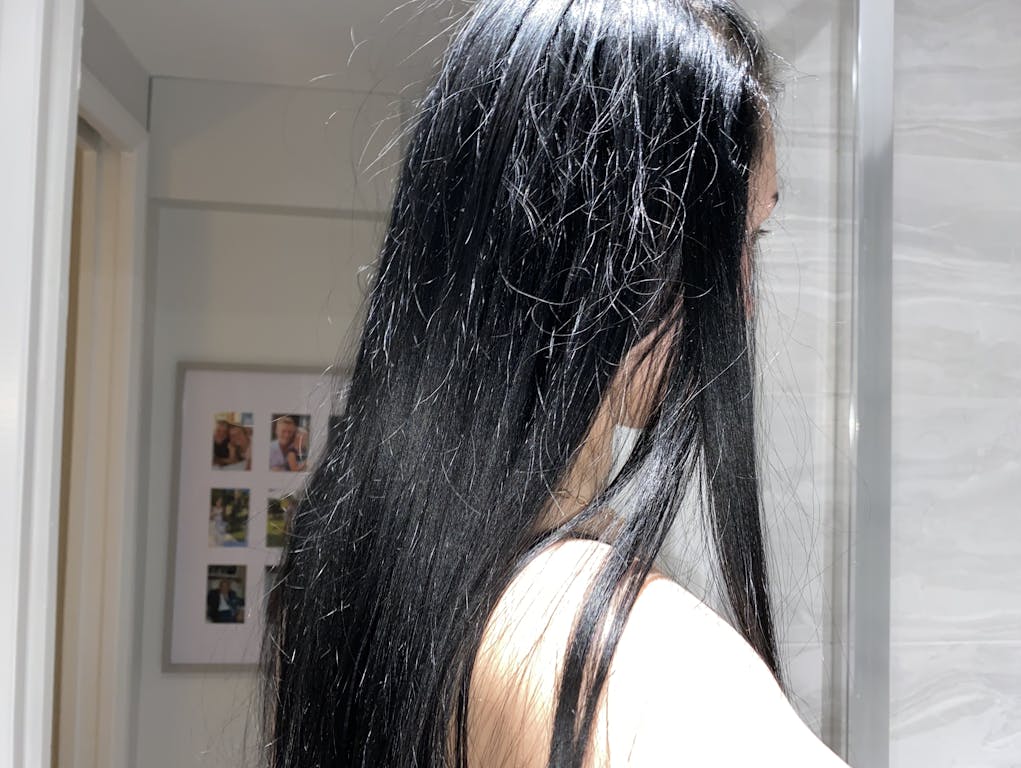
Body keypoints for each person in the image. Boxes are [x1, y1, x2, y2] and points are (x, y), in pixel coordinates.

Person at [261, 1, 849, 766]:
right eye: (737, 237)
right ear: (617, 241)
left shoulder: (361, 578)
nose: (743, 302)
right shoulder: (632, 665)